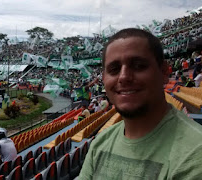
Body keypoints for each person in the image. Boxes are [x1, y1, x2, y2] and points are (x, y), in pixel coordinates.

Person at [79, 28, 202, 179]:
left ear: (164, 72)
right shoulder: (100, 142)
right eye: (114, 69)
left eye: (138, 66)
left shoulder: (196, 153)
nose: (123, 77)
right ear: (104, 79)